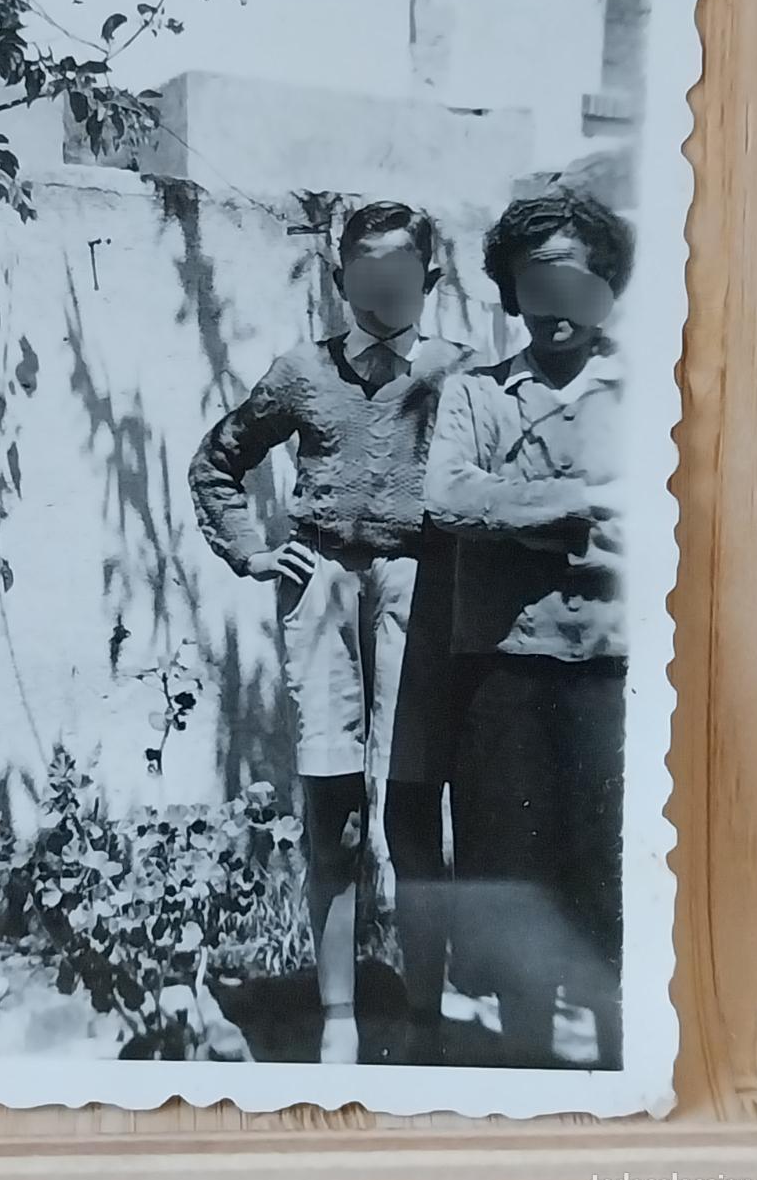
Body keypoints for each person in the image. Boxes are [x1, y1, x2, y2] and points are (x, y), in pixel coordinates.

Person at [188, 200, 472, 1064]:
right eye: (362, 277)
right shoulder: (303, 371)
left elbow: (486, 484)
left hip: (417, 592)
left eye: (398, 275)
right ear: (342, 279)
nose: (379, 293)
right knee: (334, 813)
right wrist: (253, 553)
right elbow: (218, 463)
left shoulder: (462, 374)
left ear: (430, 278)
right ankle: (340, 1018)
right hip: (321, 591)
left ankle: (426, 1016)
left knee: (418, 812)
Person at [418, 188, 633, 1069]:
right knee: (511, 867)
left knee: (607, 869)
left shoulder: (653, 390)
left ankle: (623, 1064)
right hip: (501, 665)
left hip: (615, 665)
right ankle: (524, 1067)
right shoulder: (474, 392)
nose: (556, 312)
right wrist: (582, 507)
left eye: (575, 286)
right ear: (512, 293)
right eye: (533, 288)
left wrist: (518, 514)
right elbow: (450, 498)